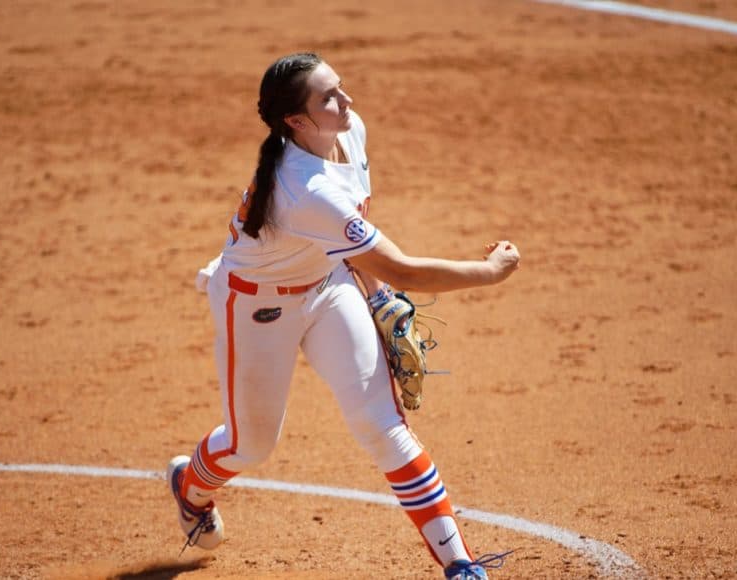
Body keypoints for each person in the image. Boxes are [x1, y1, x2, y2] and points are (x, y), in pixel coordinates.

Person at [167, 52, 520, 580]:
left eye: (342, 88)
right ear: (296, 121)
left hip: (328, 287)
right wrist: (490, 271)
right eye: (328, 97)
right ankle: (189, 487)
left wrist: (374, 299)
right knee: (251, 444)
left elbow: (350, 244)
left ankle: (461, 566)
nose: (346, 101)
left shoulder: (349, 133)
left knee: (382, 424)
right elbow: (404, 270)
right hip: (257, 306)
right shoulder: (302, 188)